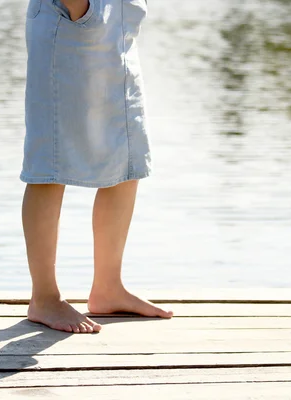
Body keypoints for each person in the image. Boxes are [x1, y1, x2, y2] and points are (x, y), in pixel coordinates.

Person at [21, 0, 173, 334]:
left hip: (120, 21)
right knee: (50, 162)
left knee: (127, 156)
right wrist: (82, 8)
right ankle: (44, 297)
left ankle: (108, 287)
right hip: (73, 18)